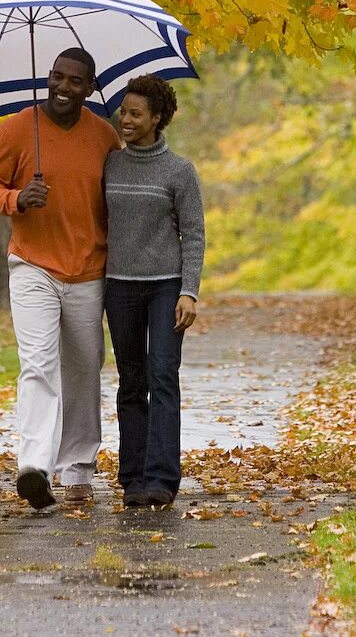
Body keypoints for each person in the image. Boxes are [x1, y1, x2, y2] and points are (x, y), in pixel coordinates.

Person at [0, 46, 121, 511]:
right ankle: (33, 467)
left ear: (90, 88)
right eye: (57, 77)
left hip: (88, 270)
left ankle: (77, 469)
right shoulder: (17, 129)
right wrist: (17, 199)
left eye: (75, 81)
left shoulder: (104, 137)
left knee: (83, 370)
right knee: (37, 363)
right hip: (33, 266)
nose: (63, 87)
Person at [102, 73, 206, 510]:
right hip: (119, 287)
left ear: (157, 118)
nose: (124, 119)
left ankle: (161, 477)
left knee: (163, 375)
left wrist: (189, 291)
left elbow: (195, 235)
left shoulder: (179, 171)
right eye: (123, 111)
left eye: (134, 113)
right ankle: (133, 477)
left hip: (165, 286)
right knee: (131, 380)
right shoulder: (109, 163)